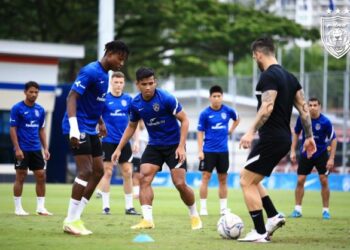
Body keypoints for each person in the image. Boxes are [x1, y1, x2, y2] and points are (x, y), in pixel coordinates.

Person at [238, 37, 316, 243]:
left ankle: (259, 232)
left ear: (259, 54)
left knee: (245, 181)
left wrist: (250, 130)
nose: (254, 58)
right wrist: (309, 137)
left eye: (254, 55)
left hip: (271, 138)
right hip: (283, 138)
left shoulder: (268, 76)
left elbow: (267, 107)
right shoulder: (290, 77)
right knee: (254, 180)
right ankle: (272, 216)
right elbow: (304, 108)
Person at [111, 67, 202, 230]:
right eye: (144, 84)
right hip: (154, 145)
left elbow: (185, 120)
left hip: (174, 145)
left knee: (179, 183)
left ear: (155, 82)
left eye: (151, 83)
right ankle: (147, 220)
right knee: (144, 178)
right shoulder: (135, 103)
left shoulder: (166, 98)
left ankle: (194, 215)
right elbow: (131, 126)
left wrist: (181, 147)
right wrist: (119, 148)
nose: (148, 87)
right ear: (137, 84)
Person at [61, 40, 129, 236]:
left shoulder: (104, 75)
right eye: (120, 58)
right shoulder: (90, 71)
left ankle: (76, 218)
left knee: (98, 171)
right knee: (85, 171)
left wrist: (101, 121)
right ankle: (70, 220)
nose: (121, 63)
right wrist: (74, 128)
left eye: (123, 60)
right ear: (109, 53)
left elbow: (94, 101)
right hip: (78, 126)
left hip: (91, 127)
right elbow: (72, 97)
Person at [98, 71, 139, 215]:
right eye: (116, 82)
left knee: (127, 173)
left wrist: (136, 141)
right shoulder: (104, 99)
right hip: (108, 141)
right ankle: (105, 207)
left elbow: (134, 122)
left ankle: (129, 207)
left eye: (121, 82)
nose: (119, 85)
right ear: (111, 83)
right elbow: (97, 117)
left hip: (124, 142)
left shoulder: (128, 99)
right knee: (108, 172)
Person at [290, 97, 337, 220]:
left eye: (315, 105)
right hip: (306, 154)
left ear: (319, 106)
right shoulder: (303, 119)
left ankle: (325, 211)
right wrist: (293, 150)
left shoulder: (325, 122)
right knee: (300, 180)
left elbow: (334, 139)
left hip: (321, 154)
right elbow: (296, 133)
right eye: (310, 105)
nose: (312, 107)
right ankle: (297, 209)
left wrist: (331, 158)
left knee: (324, 181)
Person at [10, 81, 51, 216]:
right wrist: (17, 148)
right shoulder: (17, 108)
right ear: (25, 92)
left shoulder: (40, 110)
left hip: (35, 149)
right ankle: (18, 208)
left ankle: (40, 207)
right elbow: (13, 129)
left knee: (41, 175)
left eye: (36, 92)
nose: (34, 94)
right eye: (31, 92)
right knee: (20, 176)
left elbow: (42, 130)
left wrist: (45, 148)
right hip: (22, 149)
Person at [197, 85, 240, 216]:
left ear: (222, 97)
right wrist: (200, 151)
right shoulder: (204, 114)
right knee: (205, 178)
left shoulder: (227, 110)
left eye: (219, 96)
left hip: (223, 151)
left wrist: (231, 130)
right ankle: (203, 208)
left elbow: (237, 118)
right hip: (208, 151)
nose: (216, 98)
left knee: (223, 179)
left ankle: (223, 209)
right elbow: (200, 132)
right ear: (210, 98)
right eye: (214, 96)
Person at [131, 120, 148, 199]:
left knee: (144, 175)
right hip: (136, 156)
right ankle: (136, 192)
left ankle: (143, 191)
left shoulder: (147, 131)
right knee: (136, 175)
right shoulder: (134, 129)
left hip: (146, 156)